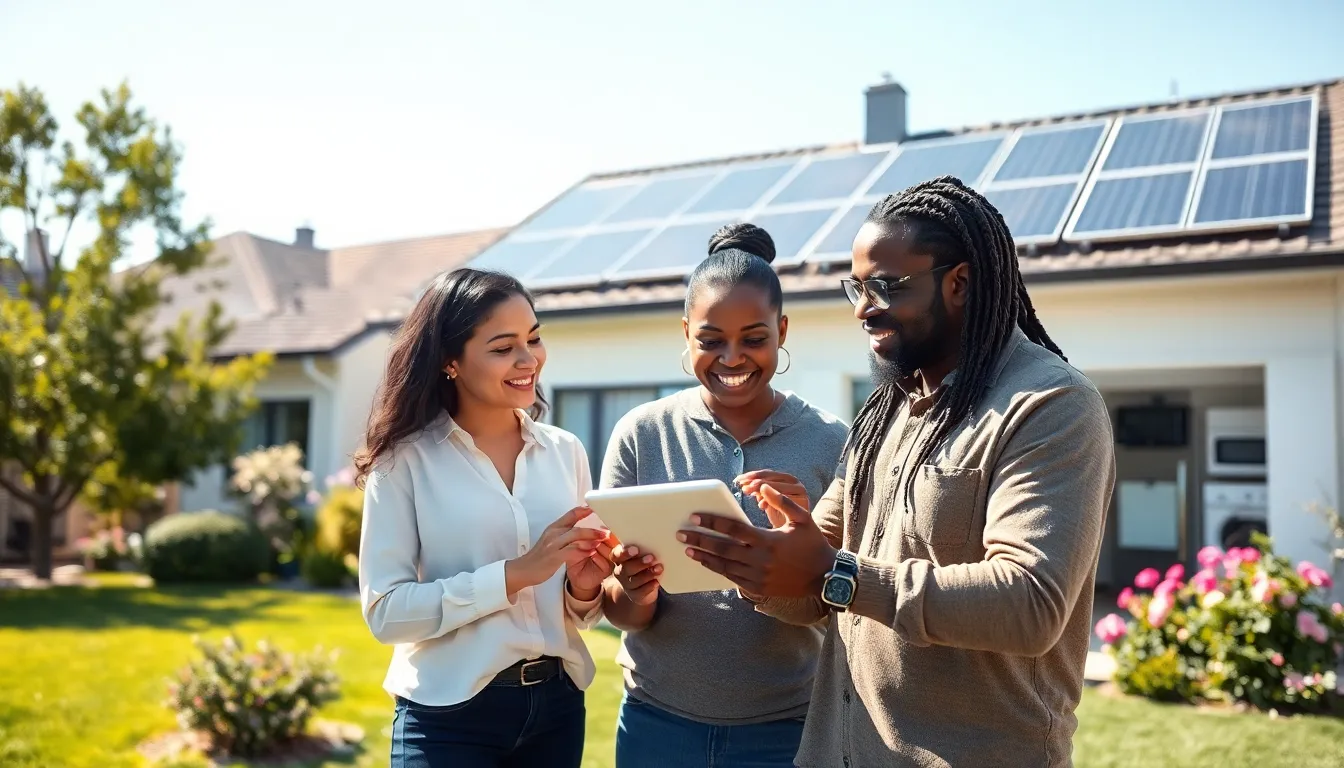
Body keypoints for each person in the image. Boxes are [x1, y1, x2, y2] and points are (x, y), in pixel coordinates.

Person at [679, 177, 1117, 767]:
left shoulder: (1049, 405)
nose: (863, 308)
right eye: (856, 287)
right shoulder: (886, 408)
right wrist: (761, 565)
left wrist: (837, 573)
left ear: (959, 282)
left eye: (886, 286)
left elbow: (1030, 603)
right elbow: (819, 580)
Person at [600, 223, 849, 767]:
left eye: (754, 339)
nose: (732, 358)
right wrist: (637, 592)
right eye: (711, 340)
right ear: (686, 333)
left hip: (787, 730)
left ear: (782, 331)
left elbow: (845, 606)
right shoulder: (642, 434)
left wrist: (803, 550)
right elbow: (618, 608)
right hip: (655, 725)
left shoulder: (833, 442)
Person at [355, 267, 614, 768]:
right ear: (450, 362)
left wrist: (583, 589)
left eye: (533, 339)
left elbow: (580, 612)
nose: (528, 360)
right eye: (503, 348)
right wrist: (515, 575)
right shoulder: (403, 462)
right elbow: (385, 612)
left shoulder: (565, 451)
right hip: (447, 718)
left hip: (557, 710)